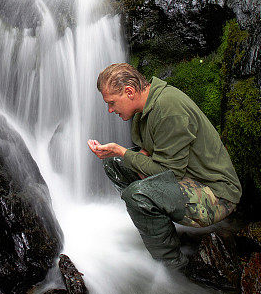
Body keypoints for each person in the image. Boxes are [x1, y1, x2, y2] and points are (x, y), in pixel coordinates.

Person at [88, 63, 242, 270]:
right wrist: (120, 155)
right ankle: (156, 225)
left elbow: (169, 172)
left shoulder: (169, 109)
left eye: (112, 102)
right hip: (185, 176)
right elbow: (149, 152)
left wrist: (122, 151)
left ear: (130, 92)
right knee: (114, 164)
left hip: (217, 194)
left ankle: (171, 265)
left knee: (137, 194)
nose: (110, 110)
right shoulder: (146, 108)